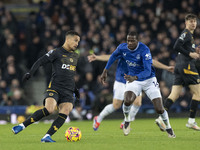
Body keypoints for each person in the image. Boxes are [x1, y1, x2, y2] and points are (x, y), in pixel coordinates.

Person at [100, 31, 175, 138]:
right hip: (133, 80)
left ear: (137, 41)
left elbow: (148, 71)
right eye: (128, 40)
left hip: (148, 80)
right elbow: (113, 56)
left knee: (159, 108)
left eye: (132, 41)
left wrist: (135, 77)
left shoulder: (144, 50)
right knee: (127, 101)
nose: (129, 43)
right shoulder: (122, 48)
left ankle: (168, 127)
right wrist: (105, 70)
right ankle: (127, 120)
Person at [12, 30, 81, 143]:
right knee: (49, 109)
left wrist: (75, 89)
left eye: (78, 41)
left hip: (68, 90)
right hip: (55, 87)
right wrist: (30, 73)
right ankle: (22, 125)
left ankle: (47, 136)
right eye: (75, 40)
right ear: (68, 39)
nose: (77, 43)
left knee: (66, 111)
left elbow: (70, 74)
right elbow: (40, 61)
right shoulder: (56, 52)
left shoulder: (75, 56)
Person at [88, 54, 174, 130]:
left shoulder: (141, 53)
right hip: (121, 81)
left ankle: (125, 122)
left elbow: (152, 61)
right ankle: (98, 118)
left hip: (134, 81)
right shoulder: (123, 51)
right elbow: (111, 57)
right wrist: (97, 57)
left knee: (137, 103)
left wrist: (166, 67)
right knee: (116, 105)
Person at [156, 13, 200, 131]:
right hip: (187, 67)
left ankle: (161, 118)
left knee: (174, 94)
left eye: (195, 21)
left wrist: (192, 50)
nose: (193, 23)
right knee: (198, 93)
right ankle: (191, 121)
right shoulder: (186, 34)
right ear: (186, 23)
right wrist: (190, 53)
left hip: (179, 67)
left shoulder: (189, 36)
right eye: (191, 21)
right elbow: (176, 46)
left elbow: (182, 48)